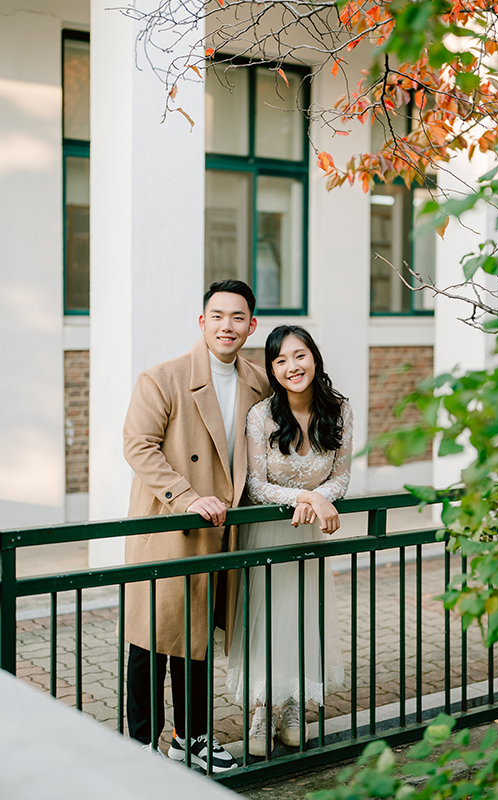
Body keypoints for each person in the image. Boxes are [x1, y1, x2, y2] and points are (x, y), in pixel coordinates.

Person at [122, 279, 271, 771]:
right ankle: (139, 746)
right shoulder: (162, 378)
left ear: (251, 326)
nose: (227, 326)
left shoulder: (258, 382)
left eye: (238, 318)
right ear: (202, 322)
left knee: (198, 640)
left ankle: (194, 739)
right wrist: (185, 497)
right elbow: (138, 445)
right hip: (169, 527)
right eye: (218, 316)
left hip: (222, 532)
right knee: (153, 639)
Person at [225, 325, 350, 756]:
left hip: (311, 530)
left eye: (299, 356)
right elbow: (256, 486)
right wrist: (307, 495)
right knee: (266, 616)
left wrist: (320, 497)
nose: (292, 367)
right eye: (280, 361)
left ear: (314, 357)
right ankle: (262, 709)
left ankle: (295, 704)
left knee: (302, 614)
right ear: (272, 370)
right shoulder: (260, 417)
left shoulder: (340, 410)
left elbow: (343, 475)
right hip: (267, 533)